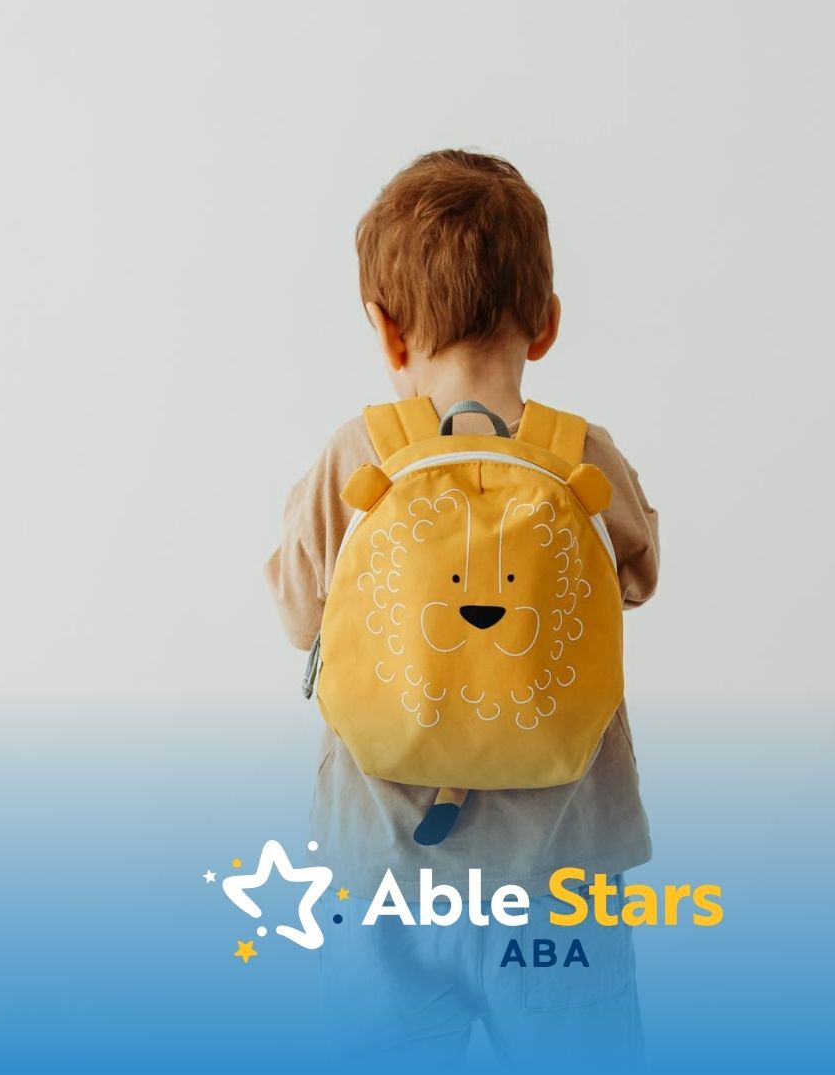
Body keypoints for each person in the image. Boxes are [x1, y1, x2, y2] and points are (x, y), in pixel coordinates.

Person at [264, 148, 661, 1067]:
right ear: (548, 324)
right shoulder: (580, 452)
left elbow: (298, 617)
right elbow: (636, 579)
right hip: (562, 878)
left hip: (381, 883)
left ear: (387, 330)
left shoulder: (356, 454)